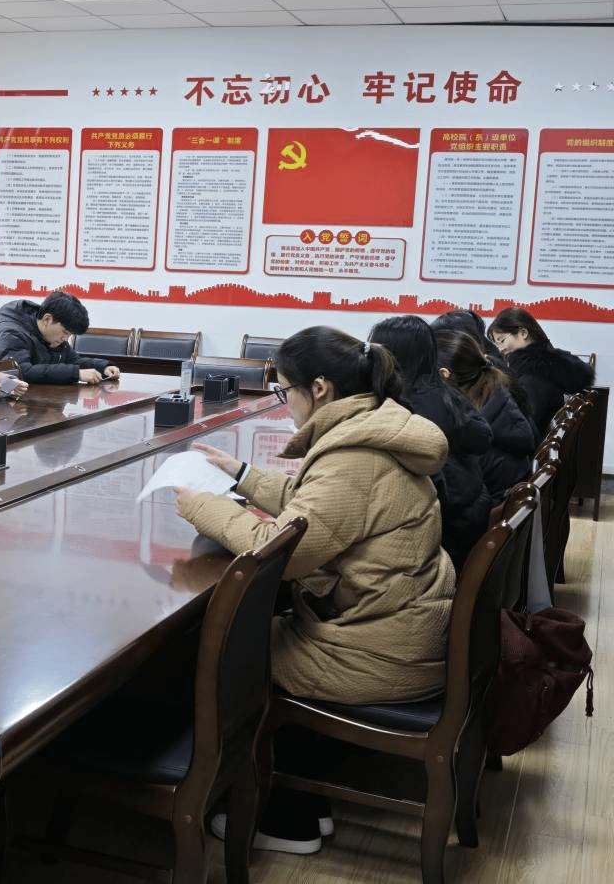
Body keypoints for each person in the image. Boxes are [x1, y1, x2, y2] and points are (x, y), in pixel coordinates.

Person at [176, 327, 455, 854]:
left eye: (285, 390)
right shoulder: (377, 427)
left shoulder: (353, 458)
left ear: (320, 388)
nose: (284, 403)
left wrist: (203, 507)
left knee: (221, 650)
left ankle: (287, 817)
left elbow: (278, 553)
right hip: (398, 626)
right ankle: (304, 792)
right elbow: (317, 507)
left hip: (378, 650)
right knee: (256, 630)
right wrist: (240, 474)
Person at [369, 315, 492, 571]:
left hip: (447, 531)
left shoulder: (412, 406)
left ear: (392, 356)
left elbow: (432, 492)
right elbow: (482, 436)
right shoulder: (441, 391)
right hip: (471, 508)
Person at [435, 328, 537, 503]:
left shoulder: (470, 424)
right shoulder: (492, 392)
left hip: (490, 508)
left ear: (444, 375)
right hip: (504, 499)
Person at [487, 306, 594, 438]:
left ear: (523, 333)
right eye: (497, 344)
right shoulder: (548, 366)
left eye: (501, 340)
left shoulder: (533, 375)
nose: (500, 349)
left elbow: (524, 430)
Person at [0, 291, 121, 385]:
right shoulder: (12, 334)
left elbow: (74, 360)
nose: (66, 338)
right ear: (47, 319)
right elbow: (22, 372)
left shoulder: (52, 338)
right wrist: (76, 374)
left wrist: (103, 367)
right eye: (65, 332)